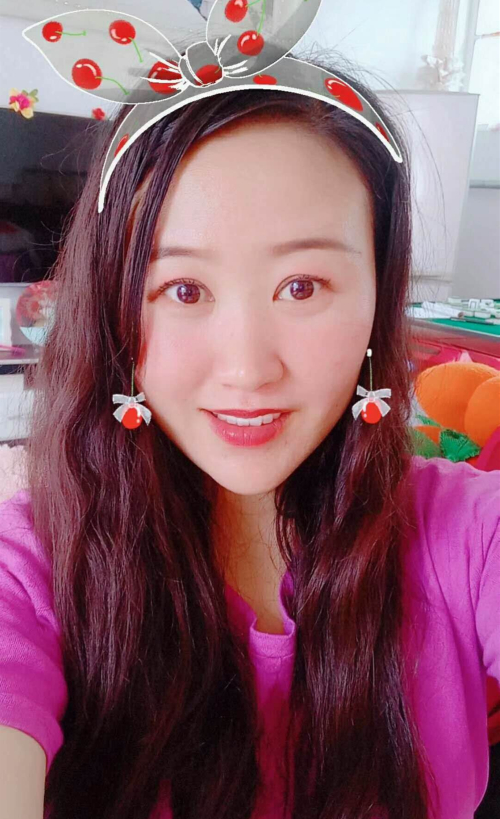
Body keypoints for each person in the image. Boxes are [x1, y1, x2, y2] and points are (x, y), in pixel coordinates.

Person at [0, 53, 498, 819]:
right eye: (184, 289)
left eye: (302, 286)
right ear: (114, 308)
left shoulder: (467, 533)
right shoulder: (33, 565)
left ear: (380, 291)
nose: (247, 369)